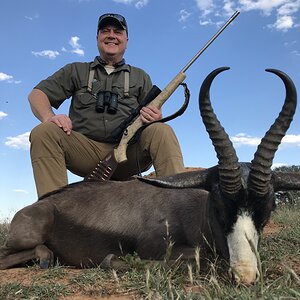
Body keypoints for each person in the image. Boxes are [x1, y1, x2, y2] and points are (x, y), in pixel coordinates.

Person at [28, 13, 185, 198]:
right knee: (44, 131)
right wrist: (49, 117)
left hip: (129, 153)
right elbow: (37, 94)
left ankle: (178, 204)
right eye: (105, 31)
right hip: (86, 153)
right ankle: (55, 211)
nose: (111, 35)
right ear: (97, 38)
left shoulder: (141, 76)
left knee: (161, 130)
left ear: (126, 39)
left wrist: (155, 118)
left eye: (118, 31)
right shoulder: (76, 70)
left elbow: (154, 115)